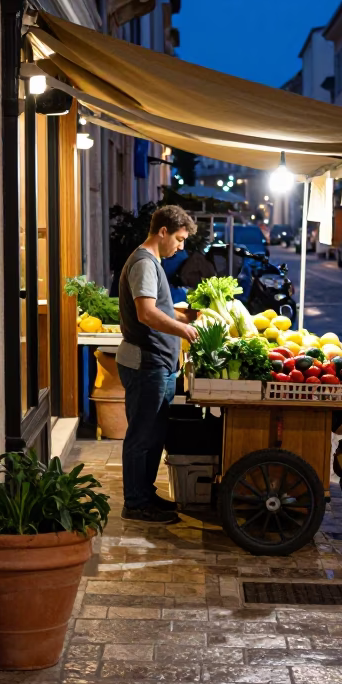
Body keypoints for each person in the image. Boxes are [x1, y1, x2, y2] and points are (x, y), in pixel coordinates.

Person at [116, 204, 199, 523]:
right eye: (179, 239)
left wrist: (185, 315)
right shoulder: (144, 263)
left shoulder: (151, 262)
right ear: (162, 232)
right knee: (141, 434)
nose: (181, 247)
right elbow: (146, 314)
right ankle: (135, 503)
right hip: (144, 364)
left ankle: (145, 493)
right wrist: (184, 329)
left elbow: (159, 306)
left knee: (152, 434)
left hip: (157, 364)